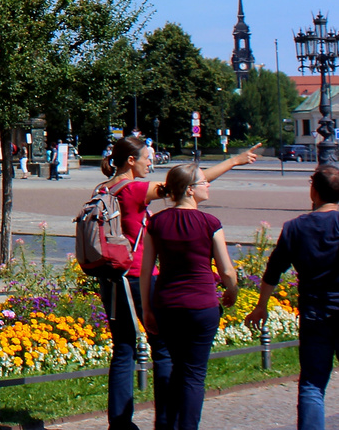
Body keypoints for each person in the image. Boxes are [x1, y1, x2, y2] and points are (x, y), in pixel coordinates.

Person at [96, 135, 259, 430]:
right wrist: (234, 161)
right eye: (147, 157)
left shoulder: (104, 188)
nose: (151, 162)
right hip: (135, 278)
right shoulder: (133, 189)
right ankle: (165, 422)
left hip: (110, 277)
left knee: (122, 349)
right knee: (163, 352)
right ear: (131, 161)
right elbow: (184, 184)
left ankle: (119, 424)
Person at [140, 163, 237, 430]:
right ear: (190, 190)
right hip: (202, 306)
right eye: (204, 182)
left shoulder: (156, 223)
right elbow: (226, 270)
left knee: (174, 367)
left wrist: (147, 309)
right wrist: (232, 291)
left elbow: (146, 271)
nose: (208, 185)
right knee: (194, 375)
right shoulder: (210, 223)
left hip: (167, 305)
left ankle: (167, 424)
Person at [247, 166, 339, 430]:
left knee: (312, 385)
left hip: (313, 313)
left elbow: (273, 271)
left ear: (314, 191)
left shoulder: (295, 228)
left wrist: (261, 306)